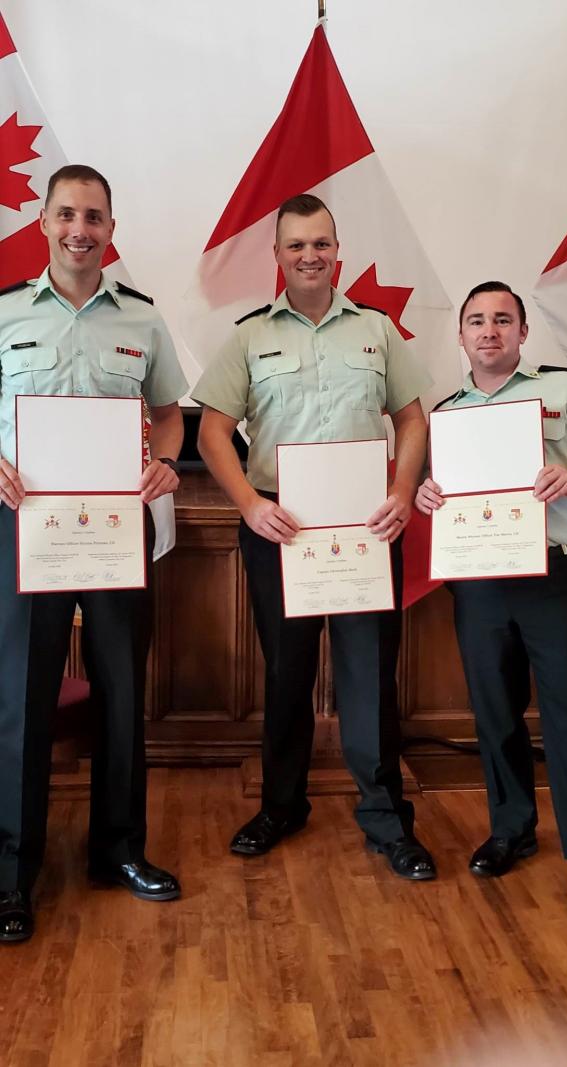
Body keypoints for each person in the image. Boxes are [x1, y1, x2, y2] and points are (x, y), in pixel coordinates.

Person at [192, 193, 436, 881]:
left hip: (366, 528)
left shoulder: (378, 331)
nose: (309, 255)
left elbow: (412, 419)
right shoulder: (247, 336)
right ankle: (281, 804)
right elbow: (212, 429)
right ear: (276, 255)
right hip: (281, 529)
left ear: (337, 251)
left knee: (369, 679)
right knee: (287, 673)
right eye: (296, 244)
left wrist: (399, 491)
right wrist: (245, 503)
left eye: (320, 243)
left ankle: (388, 820)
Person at [0, 165, 188, 942]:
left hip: (115, 531)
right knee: (21, 698)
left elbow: (170, 413)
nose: (82, 228)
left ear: (112, 230)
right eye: (68, 214)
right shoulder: (6, 313)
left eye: (96, 216)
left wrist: (165, 461)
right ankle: (13, 875)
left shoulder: (142, 322)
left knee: (119, 688)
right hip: (25, 531)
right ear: (44, 222)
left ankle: (119, 850)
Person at [416, 280, 567, 914]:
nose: (488, 331)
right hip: (483, 580)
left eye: (502, 320)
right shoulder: (447, 412)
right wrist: (425, 495)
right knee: (494, 714)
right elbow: (438, 489)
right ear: (461, 336)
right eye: (476, 321)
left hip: (558, 576)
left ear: (523, 334)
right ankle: (511, 830)